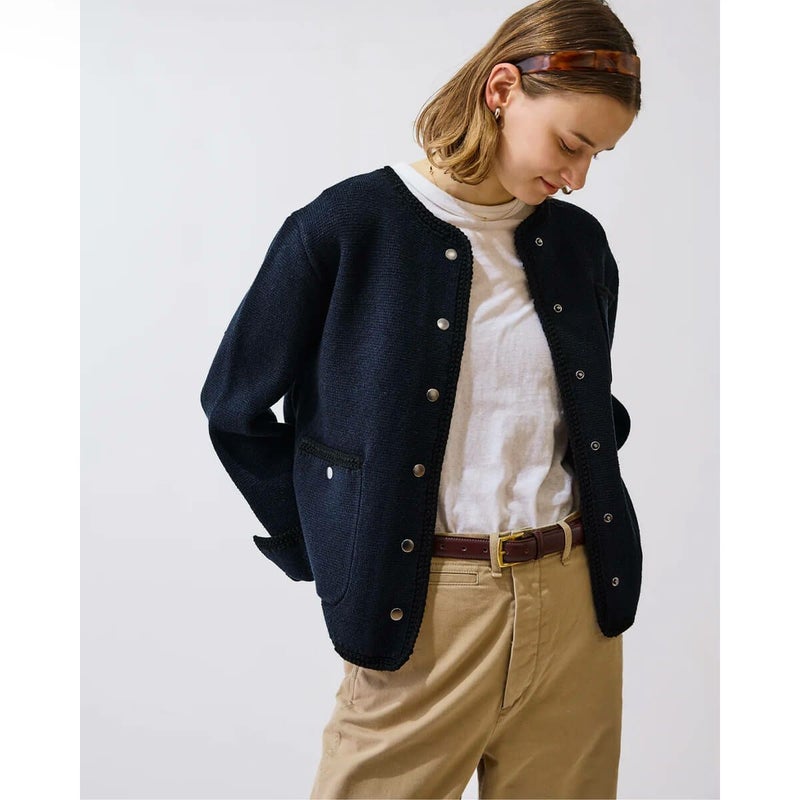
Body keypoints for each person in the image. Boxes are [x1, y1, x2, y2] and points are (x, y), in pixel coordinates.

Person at [199, 0, 644, 797]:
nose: (577, 179)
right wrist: (328, 546)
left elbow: (585, 409)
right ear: (502, 90)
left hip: (576, 607)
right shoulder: (347, 228)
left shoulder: (579, 247)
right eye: (570, 144)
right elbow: (235, 406)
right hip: (423, 613)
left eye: (597, 158)